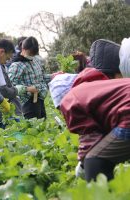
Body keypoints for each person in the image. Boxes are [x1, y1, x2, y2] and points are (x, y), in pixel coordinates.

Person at [48, 39, 126, 182]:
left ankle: (104, 195)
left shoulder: (72, 100)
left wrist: (83, 164)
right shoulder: (98, 90)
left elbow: (91, 139)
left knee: (94, 160)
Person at [8, 36, 51, 119]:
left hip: (40, 98)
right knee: (32, 127)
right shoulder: (17, 65)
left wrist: (53, 76)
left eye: (33, 54)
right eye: (30, 53)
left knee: (42, 126)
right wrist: (27, 88)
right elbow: (11, 85)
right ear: (23, 49)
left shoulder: (35, 61)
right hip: (27, 101)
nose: (31, 56)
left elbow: (41, 77)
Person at [0, 63, 22, 128]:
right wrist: (16, 90)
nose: (10, 57)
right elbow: (3, 91)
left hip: (5, 109)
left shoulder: (1, 66)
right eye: (9, 54)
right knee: (6, 130)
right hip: (1, 110)